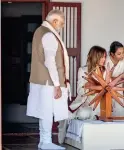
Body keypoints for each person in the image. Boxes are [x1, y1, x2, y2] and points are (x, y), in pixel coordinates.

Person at [26, 9, 71, 150]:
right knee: (47, 111)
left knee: (44, 111)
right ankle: (46, 141)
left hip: (41, 80)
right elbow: (50, 61)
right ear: (55, 21)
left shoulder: (39, 31)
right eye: (61, 23)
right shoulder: (49, 35)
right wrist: (57, 84)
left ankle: (44, 141)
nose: (62, 27)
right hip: (49, 82)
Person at [58, 46, 107, 144]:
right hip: (82, 102)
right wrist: (88, 86)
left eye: (105, 57)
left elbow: (107, 90)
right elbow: (80, 91)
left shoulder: (106, 71)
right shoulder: (83, 70)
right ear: (95, 57)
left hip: (97, 106)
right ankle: (61, 141)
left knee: (83, 113)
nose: (104, 59)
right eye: (102, 57)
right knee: (63, 115)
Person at [105, 41, 124, 117]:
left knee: (120, 111)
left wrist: (119, 77)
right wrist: (119, 78)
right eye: (119, 54)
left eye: (123, 53)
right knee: (105, 112)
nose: (122, 56)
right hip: (106, 90)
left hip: (119, 90)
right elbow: (105, 79)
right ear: (112, 54)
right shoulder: (105, 61)